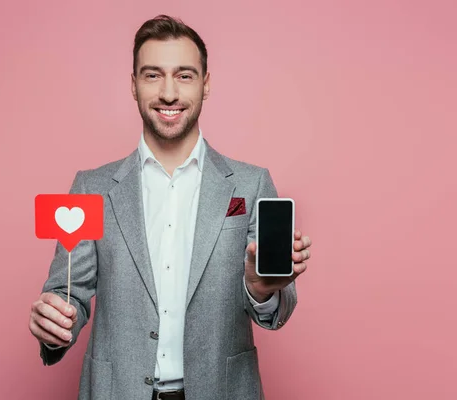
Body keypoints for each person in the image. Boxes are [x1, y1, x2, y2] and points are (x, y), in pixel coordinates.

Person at [28, 14, 312, 400]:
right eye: (152, 75)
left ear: (205, 84)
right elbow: (68, 296)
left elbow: (277, 305)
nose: (168, 93)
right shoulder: (90, 189)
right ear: (133, 85)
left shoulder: (251, 184)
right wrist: (55, 323)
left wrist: (260, 290)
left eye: (184, 75)